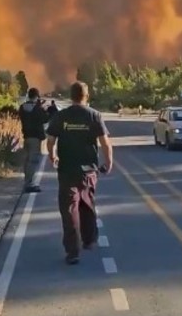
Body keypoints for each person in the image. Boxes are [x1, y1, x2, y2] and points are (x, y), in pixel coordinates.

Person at [46, 81, 114, 266]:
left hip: (67, 170)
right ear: (86, 95)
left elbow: (50, 140)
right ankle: (89, 239)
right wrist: (108, 162)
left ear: (71, 96)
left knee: (69, 210)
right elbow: (105, 143)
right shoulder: (94, 115)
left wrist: (52, 156)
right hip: (89, 170)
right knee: (87, 203)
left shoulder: (61, 116)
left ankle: (72, 251)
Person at [17, 88, 57, 193]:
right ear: (37, 96)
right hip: (35, 137)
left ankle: (27, 182)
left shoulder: (22, 107)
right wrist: (51, 110)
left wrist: (39, 106)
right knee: (33, 160)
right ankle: (29, 184)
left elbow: (26, 114)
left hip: (26, 136)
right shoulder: (37, 109)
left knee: (27, 160)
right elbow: (45, 119)